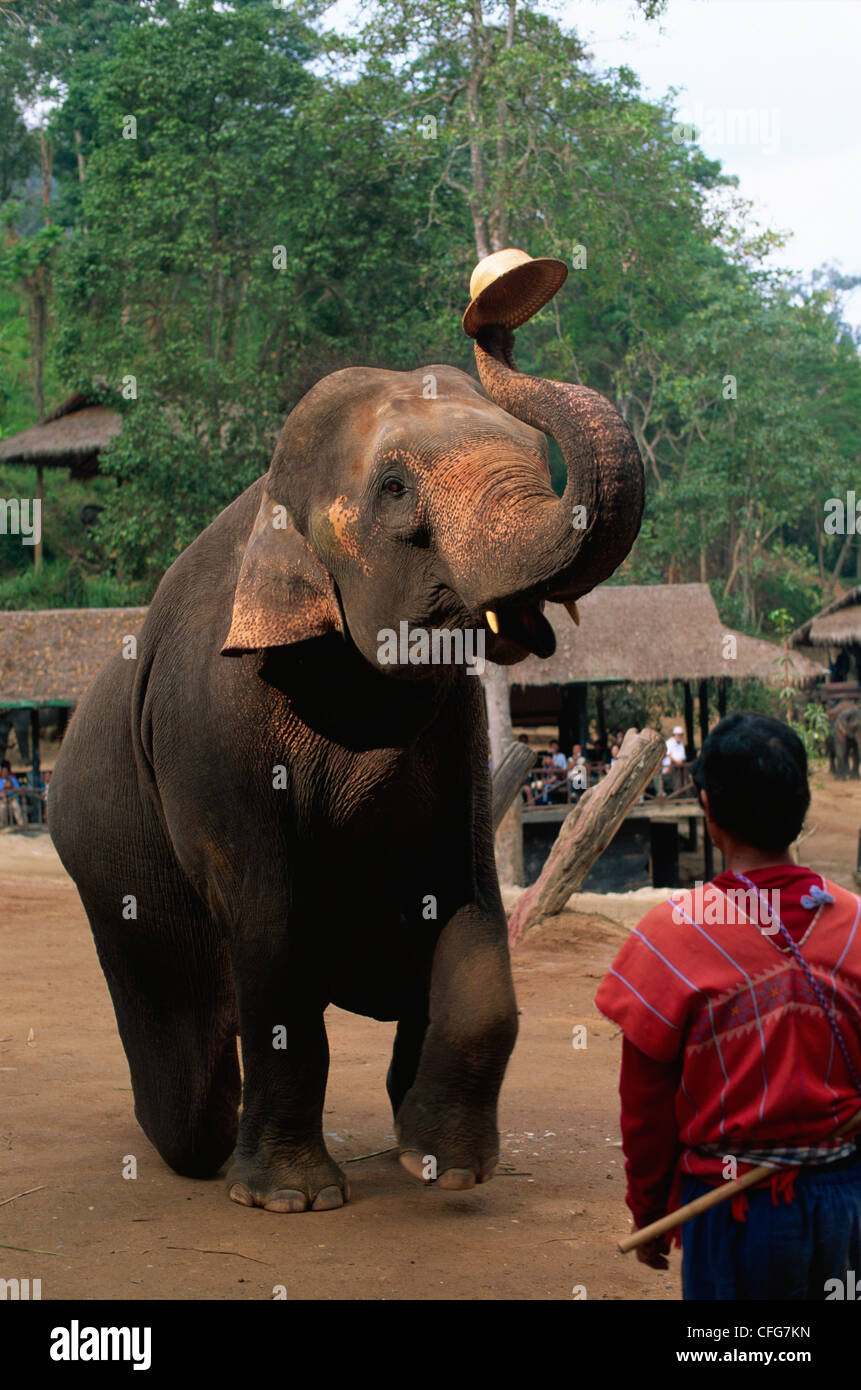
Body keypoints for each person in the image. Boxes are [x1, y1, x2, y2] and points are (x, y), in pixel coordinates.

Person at [596, 713, 861, 1300]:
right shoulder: (856, 926)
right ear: (804, 802)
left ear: (708, 809)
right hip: (847, 1204)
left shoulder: (672, 937)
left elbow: (645, 1107)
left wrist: (648, 1212)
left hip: (731, 1211)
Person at [661, 723, 686, 791]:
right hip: (672, 764)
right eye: (679, 735)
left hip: (681, 764)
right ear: (675, 734)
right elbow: (668, 754)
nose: (680, 736)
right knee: (676, 780)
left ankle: (683, 793)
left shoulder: (680, 743)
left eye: (681, 735)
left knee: (683, 780)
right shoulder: (669, 742)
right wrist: (676, 761)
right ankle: (677, 793)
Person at [0, 760, 24, 827]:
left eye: (6, 772)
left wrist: (12, 787)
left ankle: (20, 824)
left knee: (16, 806)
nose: (4, 773)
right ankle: (3, 825)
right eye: (3, 772)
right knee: (2, 807)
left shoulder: (13, 779)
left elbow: (18, 790)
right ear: (1, 772)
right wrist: (3, 789)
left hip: (13, 799)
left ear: (8, 772)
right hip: (2, 801)